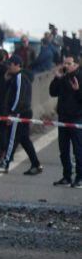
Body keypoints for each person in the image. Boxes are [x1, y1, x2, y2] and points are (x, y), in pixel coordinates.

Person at [0, 55, 42, 175]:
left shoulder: (20, 77)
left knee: (11, 139)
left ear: (17, 65)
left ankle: (5, 164)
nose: (8, 67)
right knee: (24, 140)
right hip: (22, 111)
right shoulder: (16, 78)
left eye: (10, 64)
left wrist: (13, 113)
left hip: (19, 113)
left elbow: (19, 97)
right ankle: (36, 164)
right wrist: (7, 79)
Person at [49, 55, 82, 187]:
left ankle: (79, 177)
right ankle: (66, 176)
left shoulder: (80, 77)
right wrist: (56, 78)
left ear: (76, 65)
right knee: (63, 150)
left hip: (76, 118)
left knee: (78, 149)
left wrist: (77, 91)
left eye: (69, 63)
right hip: (63, 117)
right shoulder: (63, 78)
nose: (66, 66)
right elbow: (53, 92)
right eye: (65, 64)